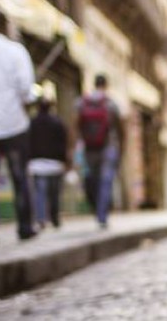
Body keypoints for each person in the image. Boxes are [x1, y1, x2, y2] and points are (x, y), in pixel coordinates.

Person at [75, 74, 122, 228]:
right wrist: (121, 148)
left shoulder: (82, 102)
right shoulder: (111, 103)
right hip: (108, 147)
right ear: (106, 85)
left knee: (92, 179)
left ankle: (96, 209)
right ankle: (102, 215)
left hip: (89, 148)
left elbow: (75, 124)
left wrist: (74, 146)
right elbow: (120, 128)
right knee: (105, 181)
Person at [27, 98, 70, 230]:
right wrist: (65, 161)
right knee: (54, 193)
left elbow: (27, 143)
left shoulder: (32, 123)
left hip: (37, 163)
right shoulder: (57, 122)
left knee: (40, 192)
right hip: (55, 164)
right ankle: (55, 217)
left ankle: (41, 219)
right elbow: (63, 143)